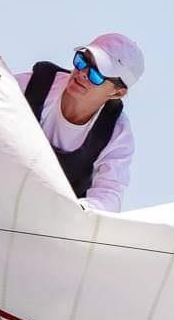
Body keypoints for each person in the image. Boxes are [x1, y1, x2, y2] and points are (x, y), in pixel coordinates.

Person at [14, 33, 144, 213]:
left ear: (117, 93)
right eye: (83, 61)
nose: (82, 73)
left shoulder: (116, 134)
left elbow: (109, 193)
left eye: (96, 74)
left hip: (48, 216)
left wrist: (78, 211)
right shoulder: (32, 85)